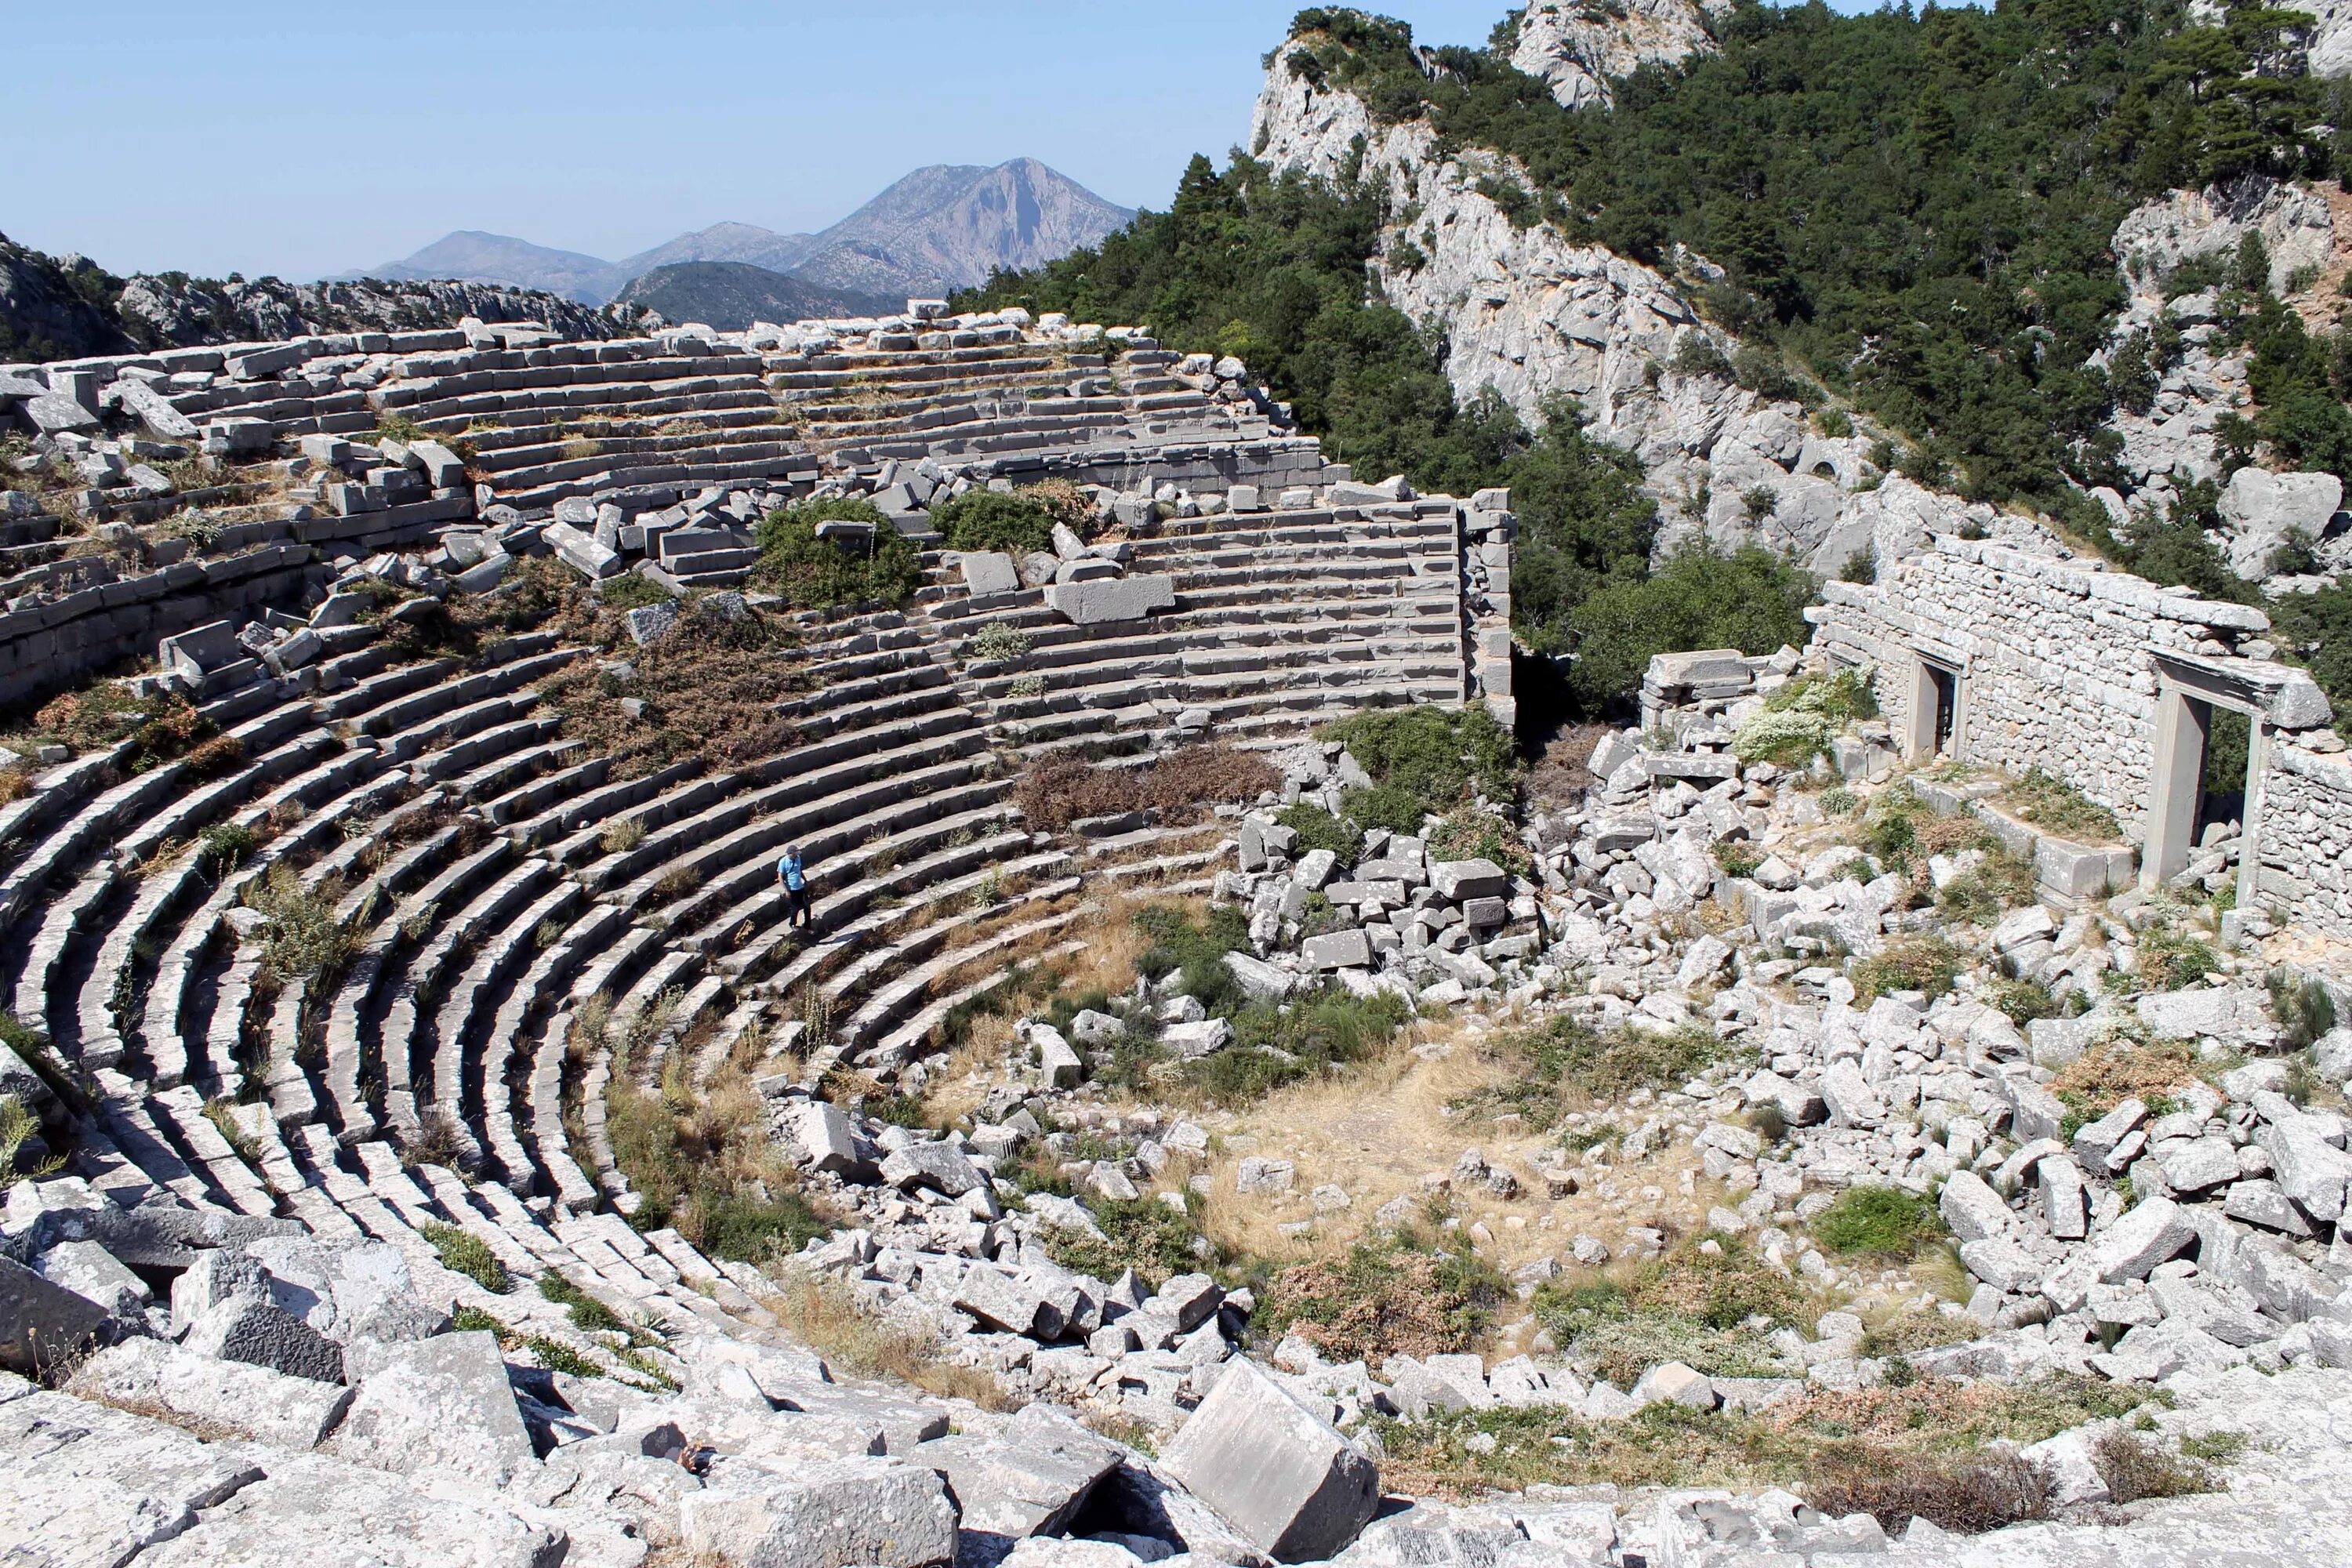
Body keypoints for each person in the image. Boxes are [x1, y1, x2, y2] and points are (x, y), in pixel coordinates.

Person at [779, 844, 811, 929]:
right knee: (795, 908)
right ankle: (792, 924)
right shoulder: (783, 862)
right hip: (792, 889)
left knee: (807, 906)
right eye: (796, 853)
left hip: (800, 887)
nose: (797, 855)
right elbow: (780, 877)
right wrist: (786, 890)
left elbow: (799, 870)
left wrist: (805, 880)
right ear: (791, 853)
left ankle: (808, 925)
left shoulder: (798, 859)